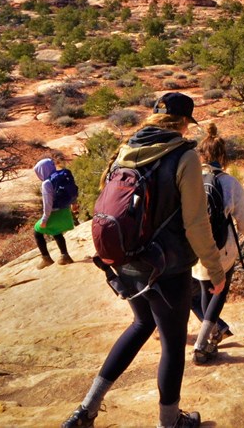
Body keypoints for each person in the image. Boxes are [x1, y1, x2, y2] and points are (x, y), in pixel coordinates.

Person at [63, 93, 226, 428]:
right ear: (184, 122)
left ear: (153, 116)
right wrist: (215, 268)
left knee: (141, 324)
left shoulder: (125, 150)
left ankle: (86, 409)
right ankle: (170, 423)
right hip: (167, 268)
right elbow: (196, 223)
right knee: (172, 343)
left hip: (125, 261)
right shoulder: (184, 155)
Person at [190, 123, 244, 365]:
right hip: (222, 248)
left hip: (193, 249)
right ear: (222, 156)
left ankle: (215, 330)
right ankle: (202, 344)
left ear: (201, 155)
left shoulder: (190, 180)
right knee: (217, 290)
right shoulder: (229, 183)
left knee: (198, 290)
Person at [33, 157, 75, 268]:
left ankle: (46, 258)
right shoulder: (62, 177)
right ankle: (65, 256)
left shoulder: (47, 183)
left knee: (37, 231)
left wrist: (44, 219)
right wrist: (74, 204)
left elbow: (48, 204)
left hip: (54, 214)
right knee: (56, 231)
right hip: (65, 212)